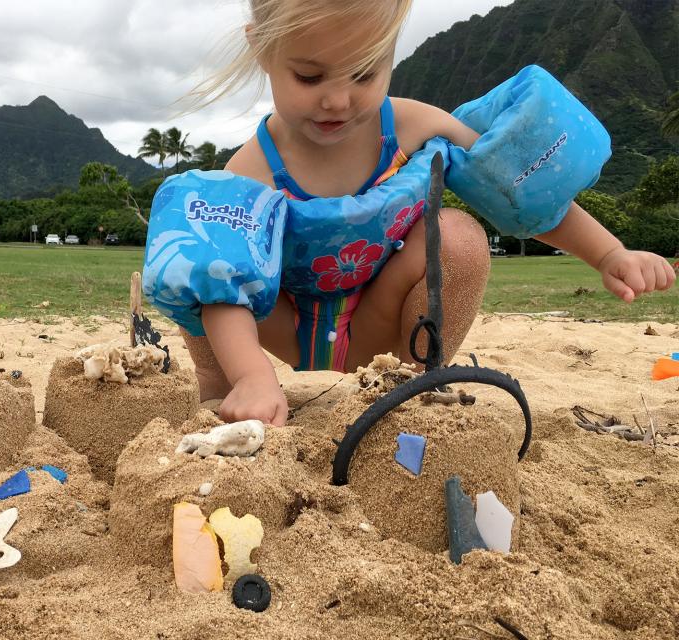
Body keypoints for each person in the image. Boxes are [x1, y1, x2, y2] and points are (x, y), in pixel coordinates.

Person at [143, 0, 675, 427]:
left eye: (362, 73)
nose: (337, 100)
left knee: (460, 236)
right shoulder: (250, 171)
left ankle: (415, 388)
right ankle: (225, 389)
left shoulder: (418, 125)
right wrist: (254, 374)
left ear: (392, 51)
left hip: (380, 319)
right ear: (263, 51)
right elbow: (224, 292)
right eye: (309, 77)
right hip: (278, 325)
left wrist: (608, 252)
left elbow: (515, 186)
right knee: (200, 255)